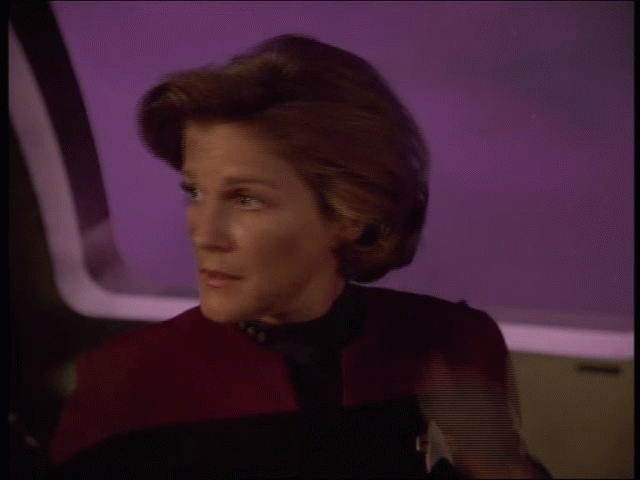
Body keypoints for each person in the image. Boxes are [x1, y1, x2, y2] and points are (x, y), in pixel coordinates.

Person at [47, 34, 551, 478]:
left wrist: (496, 464)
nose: (204, 233)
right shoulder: (126, 383)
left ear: (351, 214)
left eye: (246, 199)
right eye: (195, 192)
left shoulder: (451, 345)